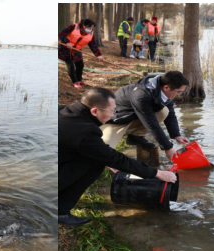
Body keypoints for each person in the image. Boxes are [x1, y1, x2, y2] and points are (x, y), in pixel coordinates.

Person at [59, 87, 177, 226]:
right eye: (111, 111)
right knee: (96, 163)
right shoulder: (84, 131)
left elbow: (90, 147)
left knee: (98, 158)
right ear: (95, 111)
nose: (112, 115)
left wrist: (102, 154)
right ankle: (60, 211)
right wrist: (156, 173)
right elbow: (117, 159)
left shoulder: (64, 111)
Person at [100, 71, 191, 161]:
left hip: (136, 116)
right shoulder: (141, 95)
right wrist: (168, 147)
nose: (178, 95)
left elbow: (170, 115)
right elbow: (151, 123)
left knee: (164, 111)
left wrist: (176, 135)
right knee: (103, 151)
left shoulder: (165, 92)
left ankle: (135, 137)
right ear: (166, 87)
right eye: (178, 92)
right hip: (116, 119)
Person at [59, 19, 105, 89]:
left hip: (76, 50)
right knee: (70, 65)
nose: (91, 29)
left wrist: (99, 55)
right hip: (65, 49)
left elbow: (93, 45)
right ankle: (75, 82)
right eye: (89, 28)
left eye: (92, 28)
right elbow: (62, 34)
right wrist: (67, 42)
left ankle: (79, 80)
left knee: (80, 64)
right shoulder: (73, 27)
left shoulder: (91, 34)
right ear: (84, 26)